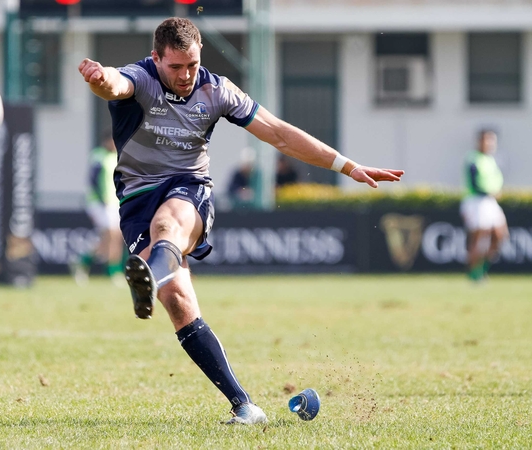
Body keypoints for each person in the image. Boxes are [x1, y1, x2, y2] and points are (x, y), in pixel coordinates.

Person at [78, 17, 403, 425]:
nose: (185, 75)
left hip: (188, 188)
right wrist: (97, 77)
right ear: (155, 58)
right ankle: (246, 407)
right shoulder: (139, 79)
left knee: (168, 227)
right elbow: (113, 84)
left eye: (192, 65)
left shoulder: (217, 90)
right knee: (178, 304)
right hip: (137, 200)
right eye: (175, 67)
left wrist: (347, 166)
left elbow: (279, 134)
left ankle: (149, 269)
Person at [70, 131, 126, 287]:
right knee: (111, 235)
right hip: (100, 203)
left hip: (115, 202)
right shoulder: (98, 156)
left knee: (111, 239)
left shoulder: (117, 157)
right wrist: (102, 199)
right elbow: (93, 180)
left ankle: (83, 262)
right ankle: (113, 271)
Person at [460, 129, 508, 282]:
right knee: (478, 238)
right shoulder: (473, 159)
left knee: (500, 235)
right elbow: (474, 183)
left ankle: (482, 269)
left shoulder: (491, 160)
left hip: (490, 202)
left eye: (491, 140)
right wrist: (490, 192)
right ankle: (473, 273)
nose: (489, 143)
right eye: (486, 140)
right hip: (476, 202)